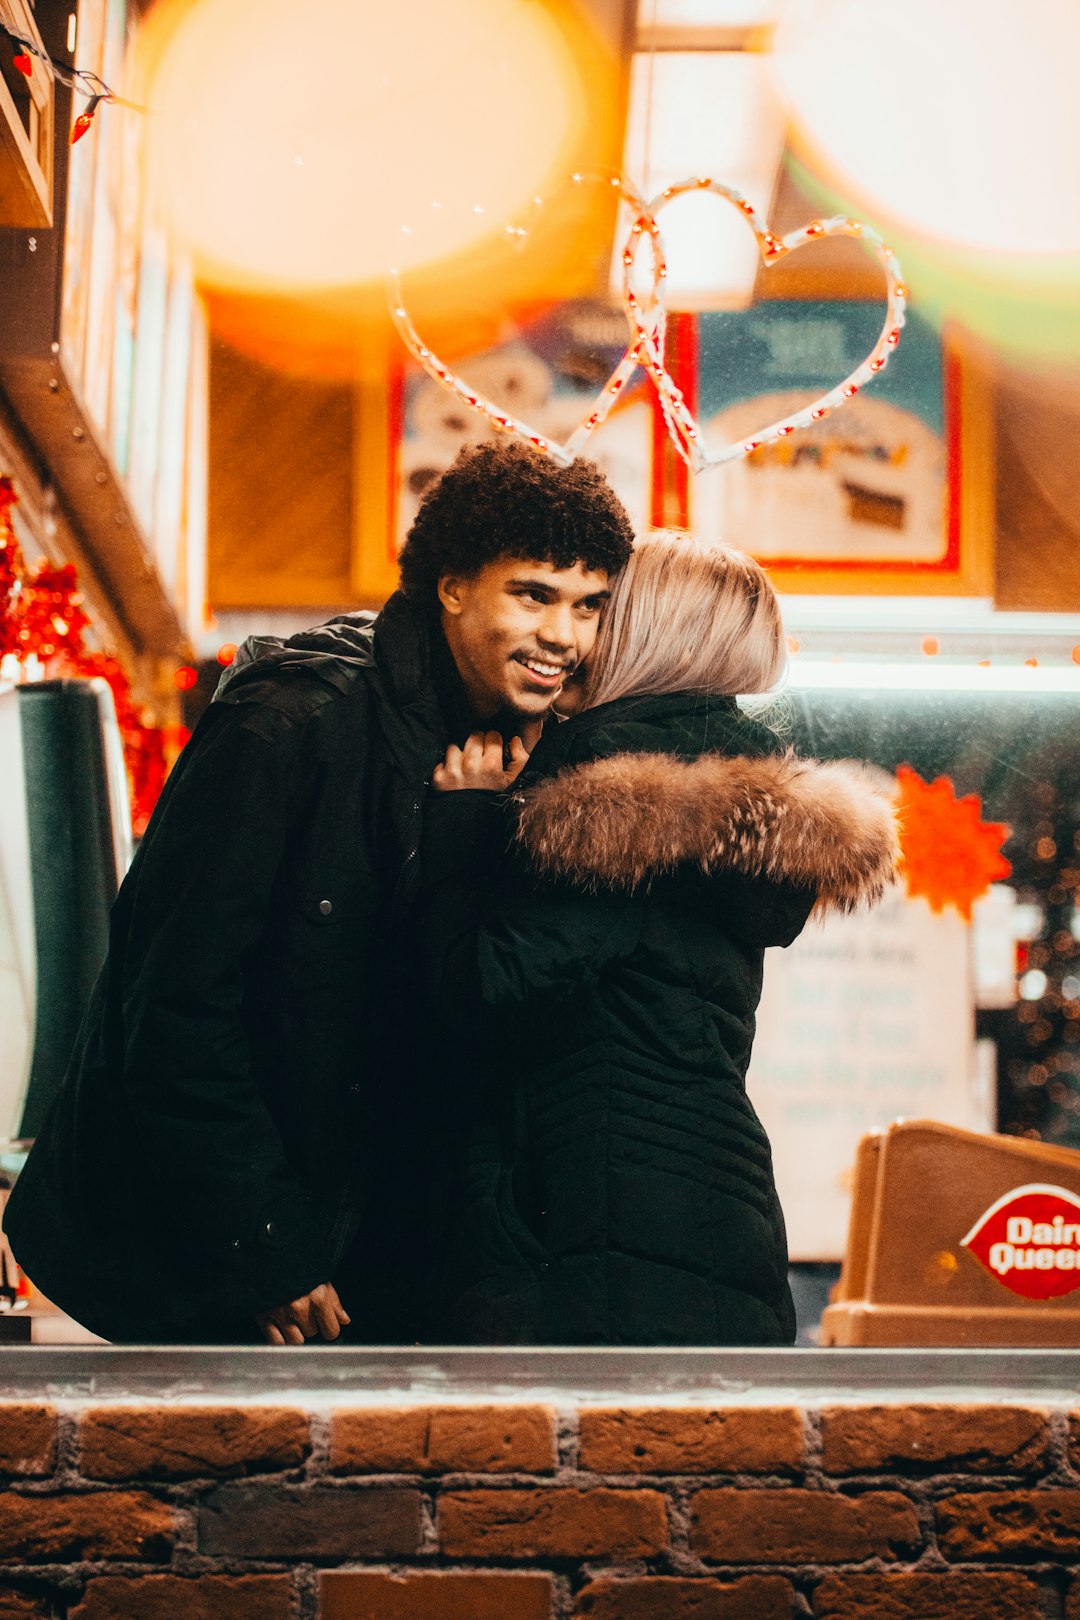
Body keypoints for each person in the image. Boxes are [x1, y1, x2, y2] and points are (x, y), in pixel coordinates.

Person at [4, 442, 634, 1345]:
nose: (564, 637)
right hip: (197, 1262)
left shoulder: (513, 757)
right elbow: (175, 1006)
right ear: (452, 585)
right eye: (533, 594)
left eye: (589, 606)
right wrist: (270, 1248)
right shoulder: (291, 722)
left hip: (365, 1272)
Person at [415, 532, 900, 1346]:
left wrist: (464, 822)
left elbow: (478, 990)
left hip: (589, 1223)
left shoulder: (608, 797)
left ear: (640, 630)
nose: (573, 634)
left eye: (600, 609)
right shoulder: (735, 802)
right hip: (718, 1204)